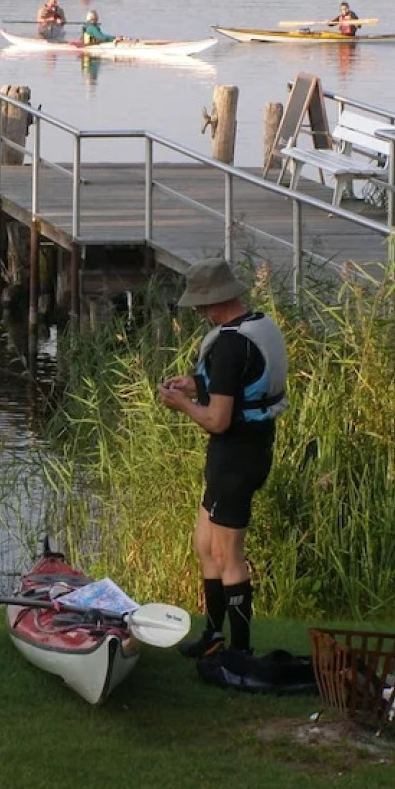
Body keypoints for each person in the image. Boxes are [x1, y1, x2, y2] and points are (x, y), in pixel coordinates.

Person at [157, 259, 287, 660]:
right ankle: (213, 633)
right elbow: (238, 384)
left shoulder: (230, 344)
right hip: (245, 451)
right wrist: (194, 383)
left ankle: (240, 650)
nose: (199, 314)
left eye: (200, 306)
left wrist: (182, 404)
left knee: (228, 556)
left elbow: (217, 419)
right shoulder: (257, 326)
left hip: (236, 458)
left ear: (213, 304)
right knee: (204, 544)